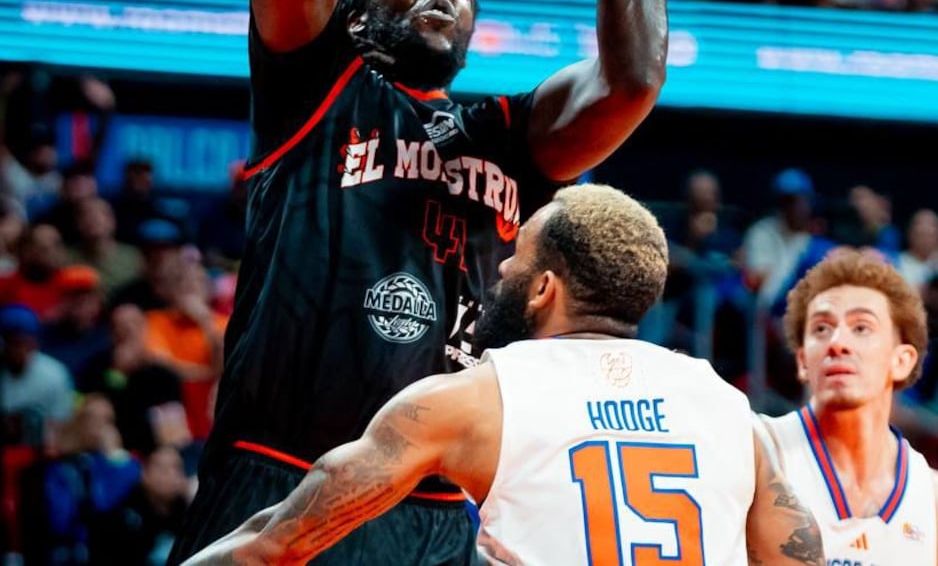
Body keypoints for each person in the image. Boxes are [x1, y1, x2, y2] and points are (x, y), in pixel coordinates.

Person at [168, 0, 669, 566]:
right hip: (279, 472)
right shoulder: (318, 84)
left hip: (436, 503)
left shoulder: (507, 139)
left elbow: (634, 77)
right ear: (354, 12)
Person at [182, 183, 824, 566]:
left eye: (514, 263)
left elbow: (278, 542)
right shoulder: (733, 414)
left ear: (544, 288)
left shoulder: (475, 398)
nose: (499, 276)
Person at [758, 248, 938, 566]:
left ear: (901, 361)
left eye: (861, 328)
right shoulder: (757, 452)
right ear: (803, 361)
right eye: (821, 328)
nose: (837, 342)